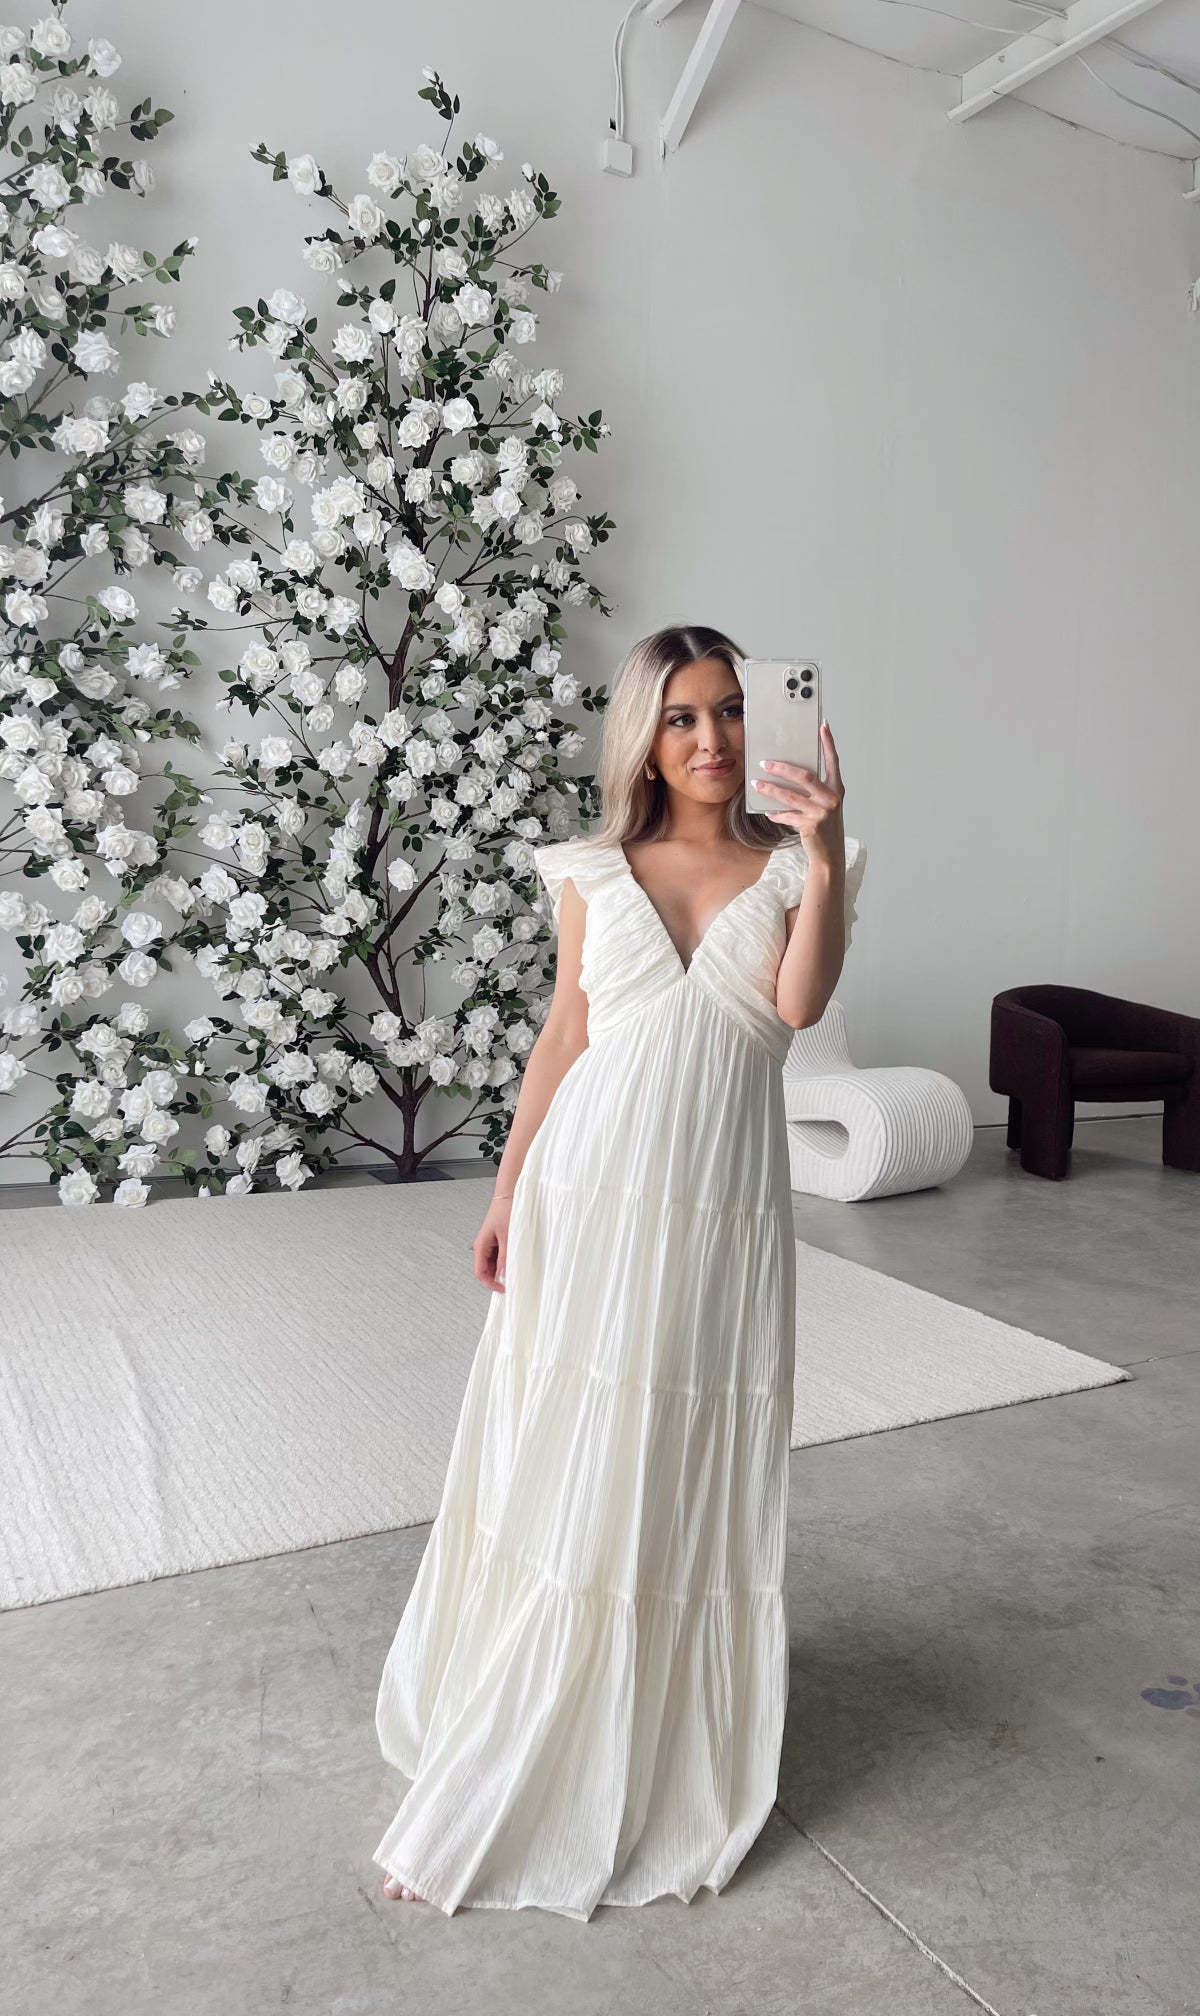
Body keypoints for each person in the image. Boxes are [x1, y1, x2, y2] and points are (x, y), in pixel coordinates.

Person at [371, 624, 866, 1917]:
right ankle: (518, 1742)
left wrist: (822, 855)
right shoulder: (595, 869)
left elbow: (799, 1009)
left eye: (731, 712)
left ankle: (643, 1733)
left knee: (674, 1452)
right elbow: (564, 1036)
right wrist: (506, 1191)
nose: (713, 740)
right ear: (644, 736)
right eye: (683, 717)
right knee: (570, 1446)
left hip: (717, 1210)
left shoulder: (802, 865)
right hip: (587, 1191)